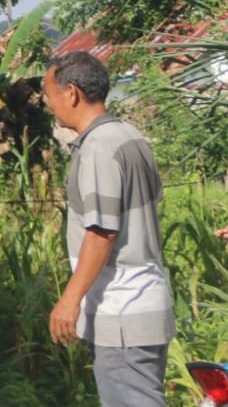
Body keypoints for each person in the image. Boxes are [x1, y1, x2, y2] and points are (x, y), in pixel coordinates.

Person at [44, 51, 174, 406]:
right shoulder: (130, 135)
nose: (48, 104)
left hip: (121, 310)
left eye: (49, 94)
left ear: (71, 93)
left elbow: (102, 232)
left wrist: (69, 301)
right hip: (146, 298)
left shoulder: (99, 147)